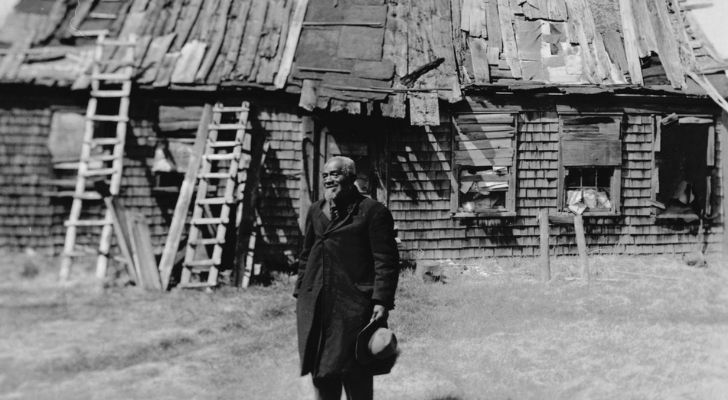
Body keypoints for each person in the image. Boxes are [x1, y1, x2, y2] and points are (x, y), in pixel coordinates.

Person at [294, 156, 400, 400]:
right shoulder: (315, 210)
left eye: (335, 174)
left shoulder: (373, 212)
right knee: (322, 371)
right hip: (317, 305)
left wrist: (381, 301)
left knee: (355, 371)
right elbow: (306, 253)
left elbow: (385, 261)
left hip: (354, 306)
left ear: (352, 178)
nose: (329, 180)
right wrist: (301, 290)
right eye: (325, 175)